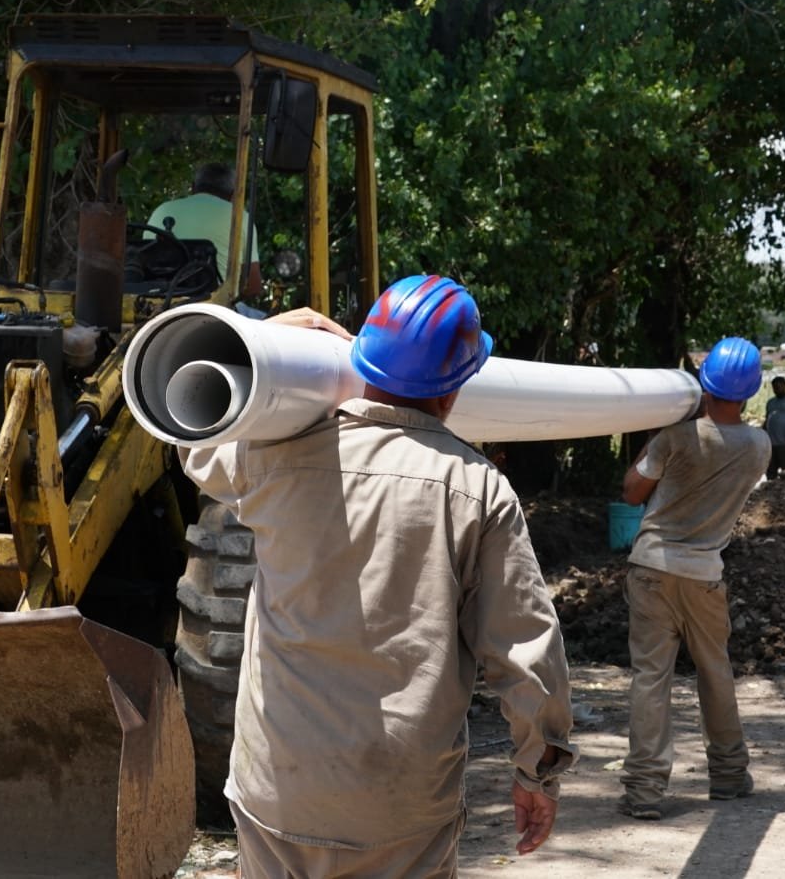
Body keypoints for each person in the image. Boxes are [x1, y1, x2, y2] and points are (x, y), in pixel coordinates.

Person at [179, 274, 574, 874]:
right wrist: (536, 773)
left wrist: (260, 338)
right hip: (398, 807)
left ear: (362, 356)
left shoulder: (272, 459)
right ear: (456, 387)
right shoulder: (477, 490)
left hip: (278, 790)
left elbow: (195, 439)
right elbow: (525, 652)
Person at [617, 336, 770, 821]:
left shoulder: (676, 438)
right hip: (705, 575)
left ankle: (644, 792)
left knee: (651, 678)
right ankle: (727, 775)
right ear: (749, 393)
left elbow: (630, 492)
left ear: (705, 386)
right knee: (715, 672)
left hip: (654, 571)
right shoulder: (759, 446)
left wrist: (657, 433)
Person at [146, 162, 261, 297]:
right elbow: (253, 286)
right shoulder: (240, 217)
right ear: (233, 194)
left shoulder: (162, 210)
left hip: (158, 300)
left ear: (193, 188)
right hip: (215, 306)